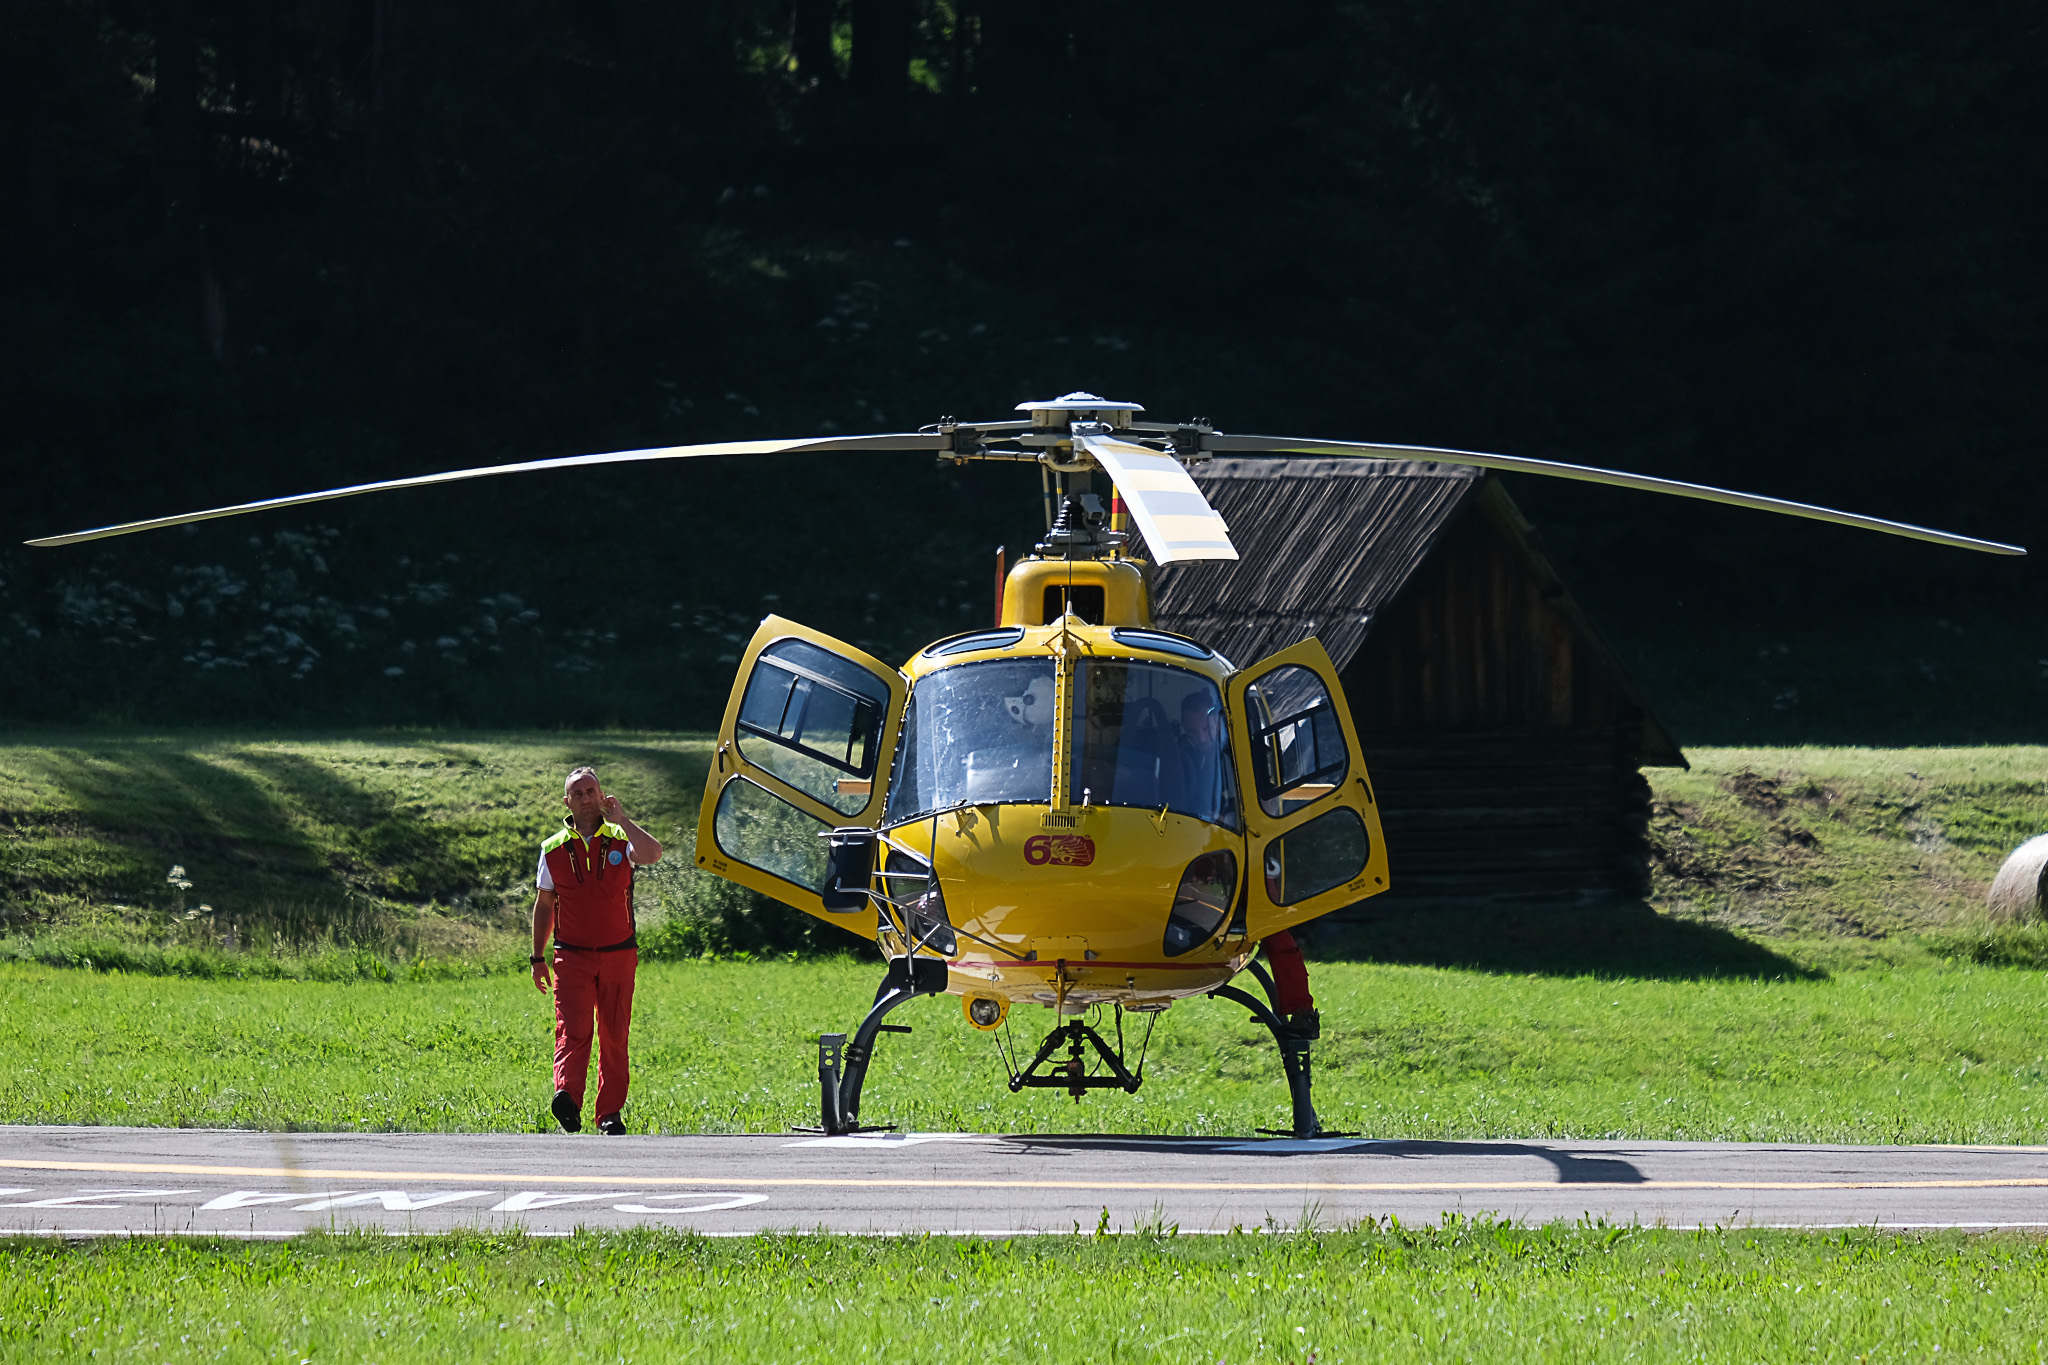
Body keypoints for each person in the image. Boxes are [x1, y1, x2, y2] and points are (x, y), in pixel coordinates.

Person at [532, 766, 662, 1134]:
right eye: (579, 793)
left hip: (619, 953)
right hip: (571, 956)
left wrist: (623, 819)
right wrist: (537, 957)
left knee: (614, 1033)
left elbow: (653, 854)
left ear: (602, 796)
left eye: (592, 792)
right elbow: (544, 907)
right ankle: (568, 1098)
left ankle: (609, 1113)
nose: (586, 799)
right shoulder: (553, 849)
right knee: (572, 1030)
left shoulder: (622, 839)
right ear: (567, 802)